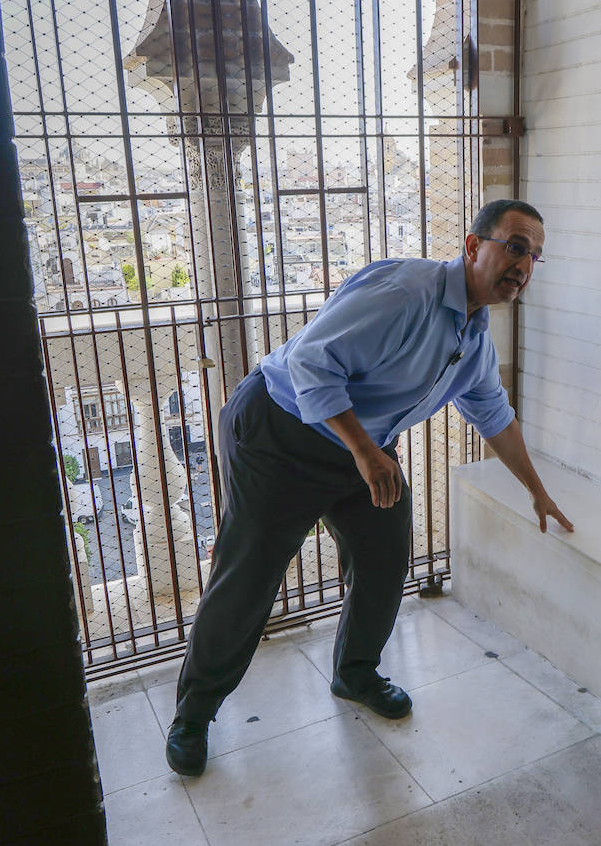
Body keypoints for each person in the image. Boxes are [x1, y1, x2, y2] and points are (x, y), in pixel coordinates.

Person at [165, 199, 572, 777]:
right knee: (249, 578)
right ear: (474, 246)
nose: (524, 265)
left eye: (534, 257)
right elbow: (310, 361)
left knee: (384, 562)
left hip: (362, 450)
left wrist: (537, 489)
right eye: (514, 246)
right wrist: (364, 450)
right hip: (281, 434)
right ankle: (193, 715)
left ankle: (355, 674)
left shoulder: (474, 338)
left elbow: (493, 416)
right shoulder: (407, 293)